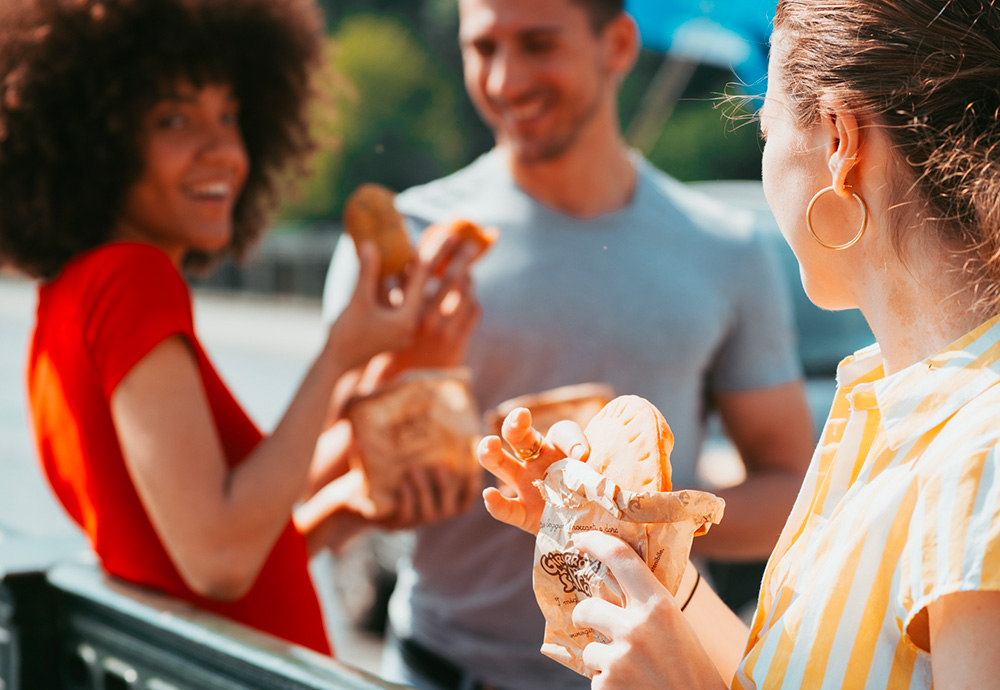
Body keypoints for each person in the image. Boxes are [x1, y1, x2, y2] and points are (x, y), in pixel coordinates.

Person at [481, 0, 1000, 687]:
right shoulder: (885, 400)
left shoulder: (977, 451)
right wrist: (632, 549)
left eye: (765, 131)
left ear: (841, 138)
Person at [320, 0, 815, 686]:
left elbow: (789, 489)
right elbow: (310, 495)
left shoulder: (725, 249)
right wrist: (383, 481)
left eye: (537, 44)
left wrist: (630, 517)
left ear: (616, 45)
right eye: (483, 47)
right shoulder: (406, 241)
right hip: (440, 666)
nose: (504, 79)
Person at [0, 0, 475, 657]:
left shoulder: (67, 297)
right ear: (95, 138)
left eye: (229, 115)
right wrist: (340, 353)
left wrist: (336, 514)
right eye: (174, 118)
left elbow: (189, 563)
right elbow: (218, 557)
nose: (224, 149)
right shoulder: (130, 280)